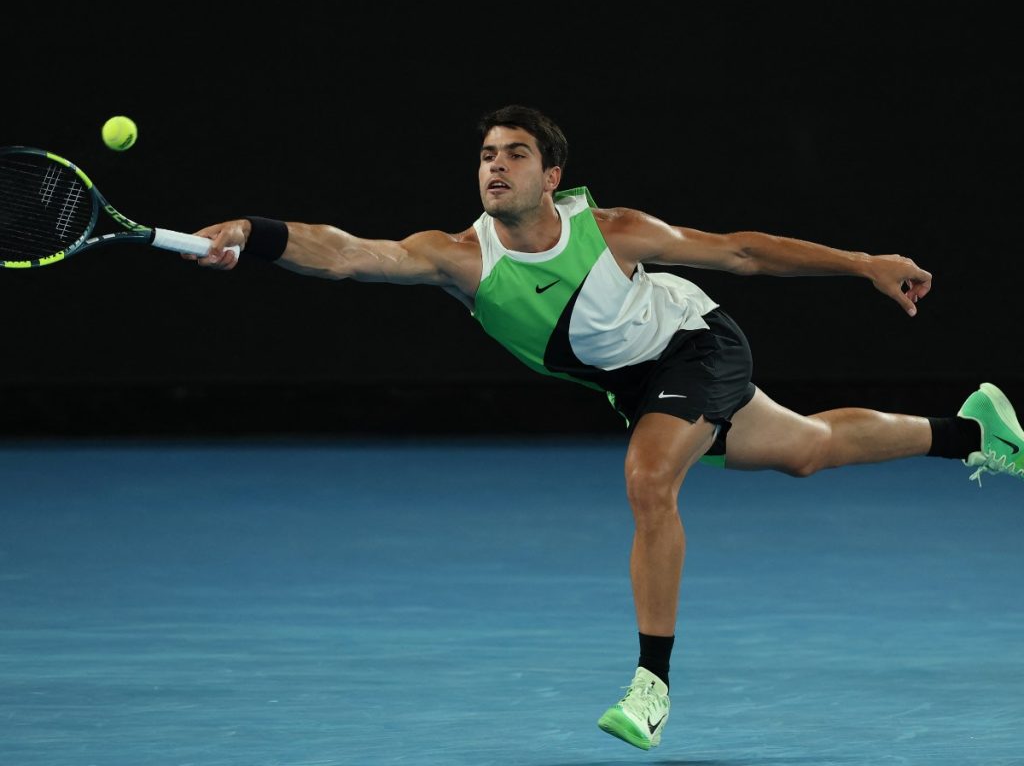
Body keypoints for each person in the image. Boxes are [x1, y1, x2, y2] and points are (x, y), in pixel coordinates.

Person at [183, 104, 1023, 751]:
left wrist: (863, 263)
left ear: (552, 176)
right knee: (807, 450)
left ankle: (651, 686)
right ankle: (972, 432)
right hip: (637, 386)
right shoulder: (457, 256)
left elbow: (740, 252)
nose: (495, 168)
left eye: (515, 155)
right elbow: (346, 251)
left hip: (696, 346)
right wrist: (251, 235)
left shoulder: (612, 231)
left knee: (649, 478)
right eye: (486, 156)